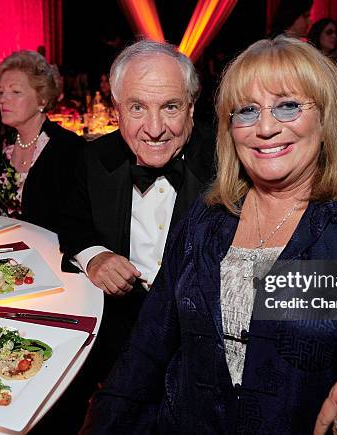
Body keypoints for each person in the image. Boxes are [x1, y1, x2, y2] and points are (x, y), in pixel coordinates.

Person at [85, 36, 337, 434]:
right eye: (246, 110)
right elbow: (147, 353)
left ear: (324, 115)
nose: (265, 127)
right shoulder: (209, 220)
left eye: (287, 106)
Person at [58, 40, 216, 383]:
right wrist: (95, 257)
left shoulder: (229, 163)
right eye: (137, 108)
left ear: (191, 107)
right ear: (116, 109)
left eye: (171, 107)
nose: (155, 128)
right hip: (117, 343)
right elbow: (72, 223)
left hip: (201, 352)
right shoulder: (95, 158)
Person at [0, 50, 85, 233]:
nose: (3, 99)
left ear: (42, 99)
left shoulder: (68, 149)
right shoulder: (2, 146)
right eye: (1, 92)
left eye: (15, 91)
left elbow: (75, 223)